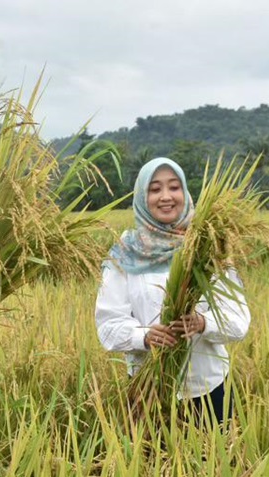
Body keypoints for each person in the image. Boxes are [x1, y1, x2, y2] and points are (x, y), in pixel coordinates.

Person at [95, 157, 250, 426]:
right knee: (144, 466)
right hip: (147, 389)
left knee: (214, 464)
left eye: (174, 187)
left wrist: (203, 323)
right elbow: (107, 326)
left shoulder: (209, 247)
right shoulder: (125, 253)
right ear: (142, 197)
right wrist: (144, 337)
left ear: (185, 192)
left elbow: (238, 321)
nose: (166, 197)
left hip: (208, 389)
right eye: (155, 189)